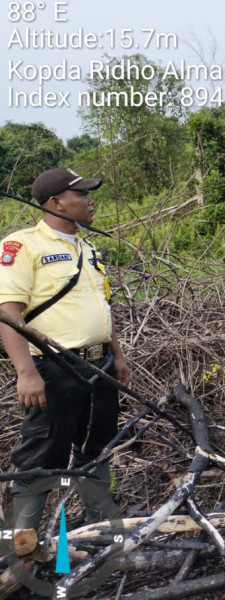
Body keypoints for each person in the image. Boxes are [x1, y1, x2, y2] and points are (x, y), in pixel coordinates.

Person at [0, 167, 131, 530]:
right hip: (54, 369)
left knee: (96, 447)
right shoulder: (23, 245)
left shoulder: (88, 248)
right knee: (41, 456)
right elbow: (7, 313)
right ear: (56, 202)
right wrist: (26, 373)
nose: (90, 202)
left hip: (100, 366)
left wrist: (117, 356)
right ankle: (20, 546)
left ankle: (96, 531)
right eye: (82, 195)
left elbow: (103, 306)